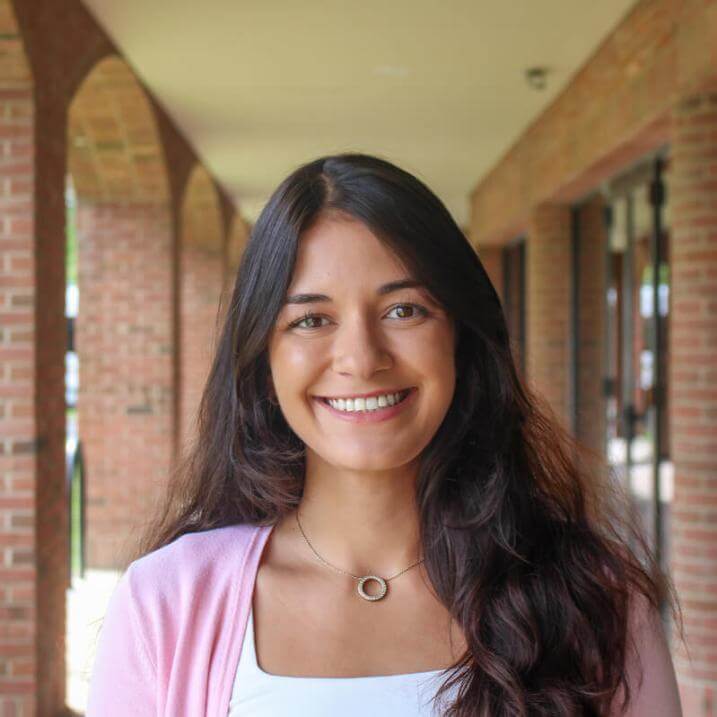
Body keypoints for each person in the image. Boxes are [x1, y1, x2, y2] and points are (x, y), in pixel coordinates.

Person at [86, 153, 684, 716]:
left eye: (404, 310)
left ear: (461, 336)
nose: (361, 358)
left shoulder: (593, 598)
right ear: (263, 358)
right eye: (311, 320)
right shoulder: (166, 602)